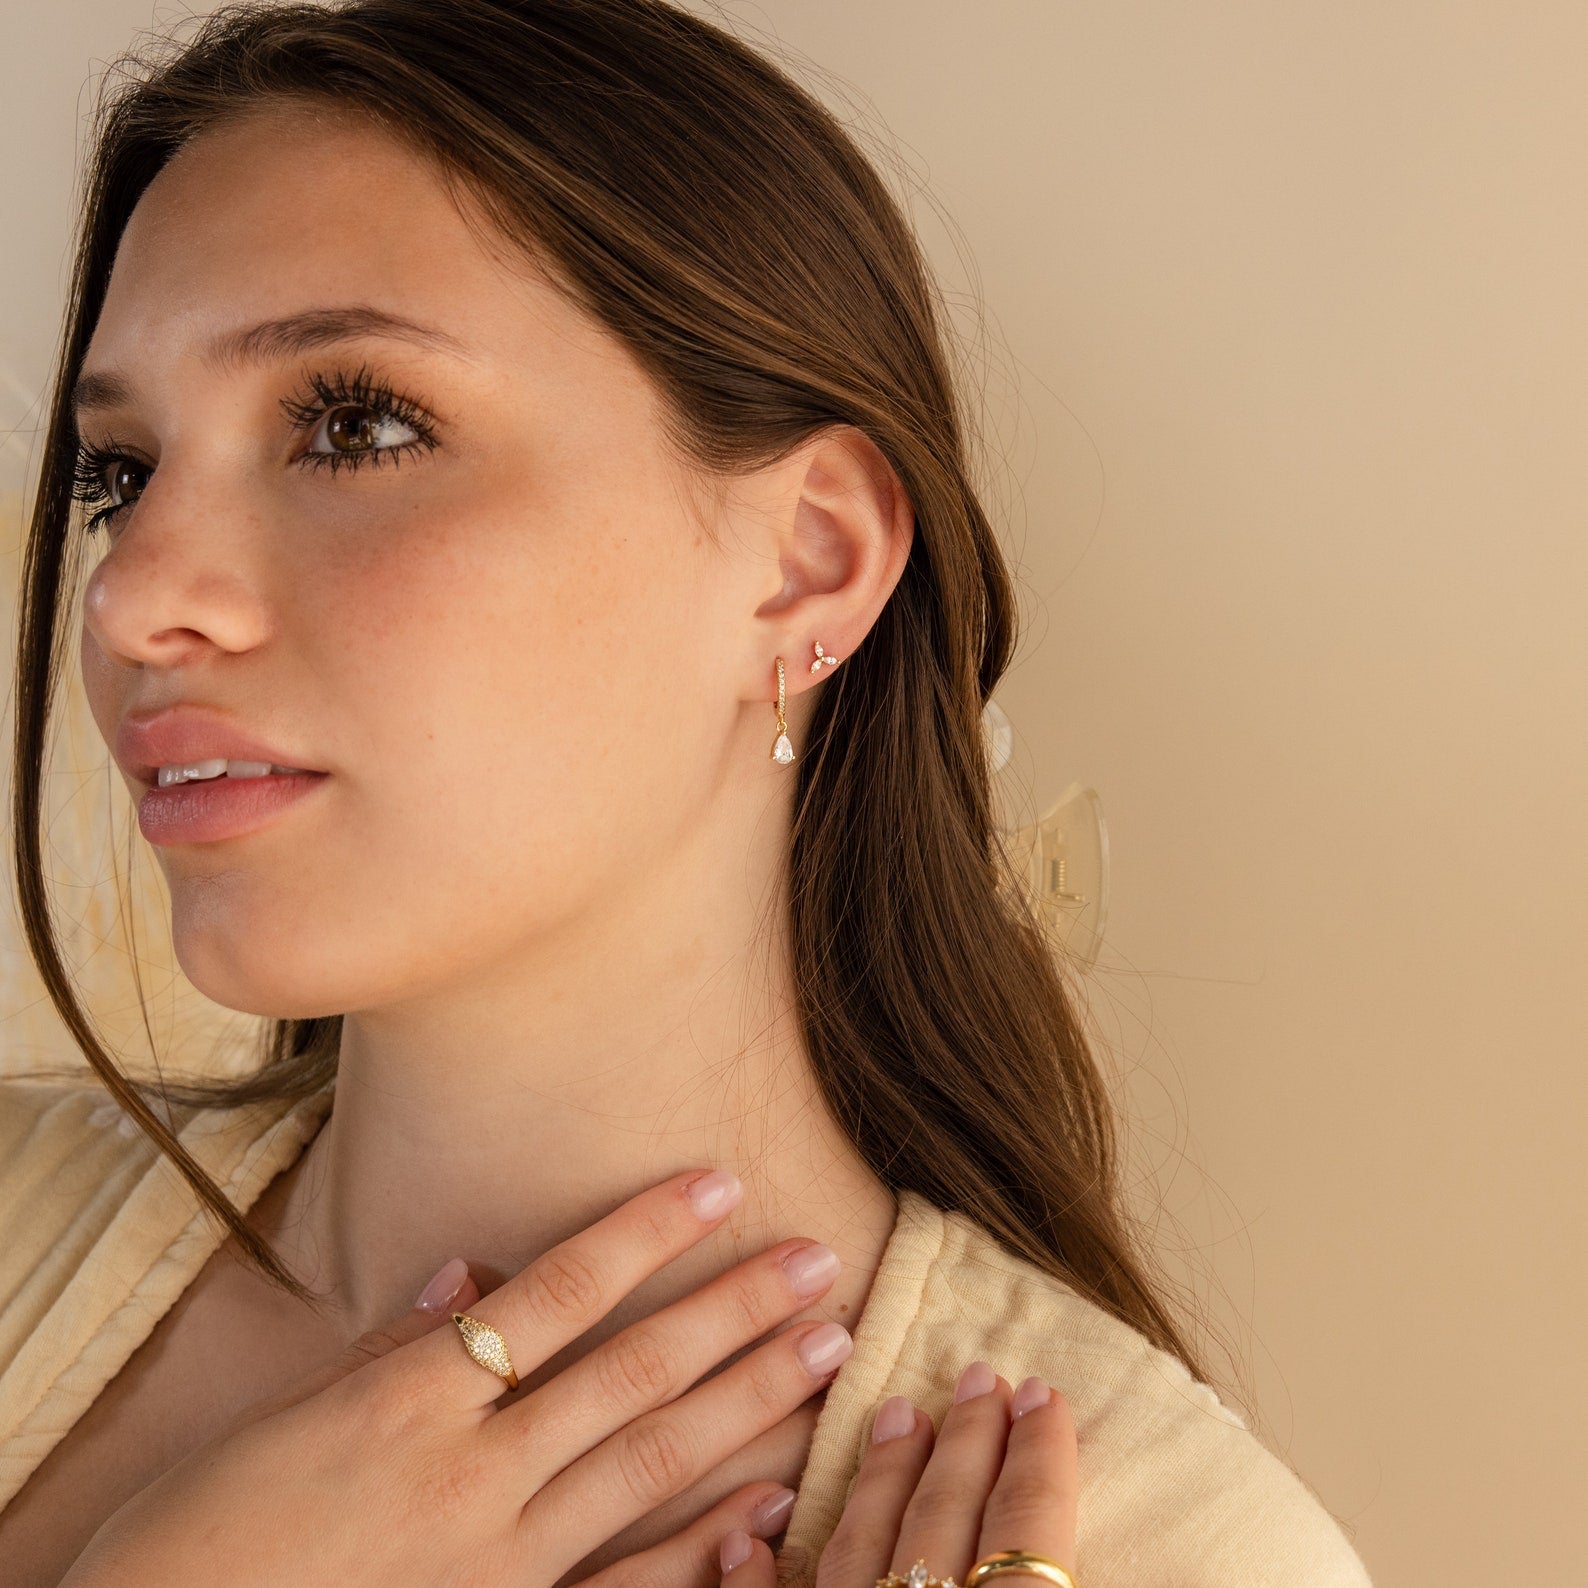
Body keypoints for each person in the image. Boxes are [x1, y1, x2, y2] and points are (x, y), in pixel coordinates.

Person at [0, 2, 1373, 1584]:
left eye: (355, 422)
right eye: (124, 473)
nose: (131, 598)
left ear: (808, 562)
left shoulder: (1167, 1552)